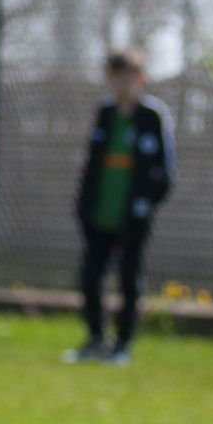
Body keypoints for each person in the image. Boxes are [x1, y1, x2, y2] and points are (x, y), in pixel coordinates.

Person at [65, 47, 176, 366]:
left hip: (133, 216)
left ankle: (122, 345)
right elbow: (92, 163)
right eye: (116, 80)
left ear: (141, 79)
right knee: (90, 276)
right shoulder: (106, 112)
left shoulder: (153, 116)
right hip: (99, 213)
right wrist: (84, 203)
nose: (123, 86)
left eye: (129, 80)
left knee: (129, 278)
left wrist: (146, 203)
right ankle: (95, 339)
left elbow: (165, 172)